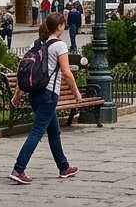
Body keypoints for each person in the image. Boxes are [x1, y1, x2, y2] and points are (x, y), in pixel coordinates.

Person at [9, 12, 83, 183]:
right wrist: (76, 94)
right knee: (37, 132)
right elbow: (66, 72)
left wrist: (17, 94)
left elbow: (26, 71)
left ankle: (64, 167)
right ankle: (18, 169)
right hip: (49, 94)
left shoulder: (36, 44)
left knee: (54, 131)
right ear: (59, 27)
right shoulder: (59, 46)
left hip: (34, 94)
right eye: (63, 25)